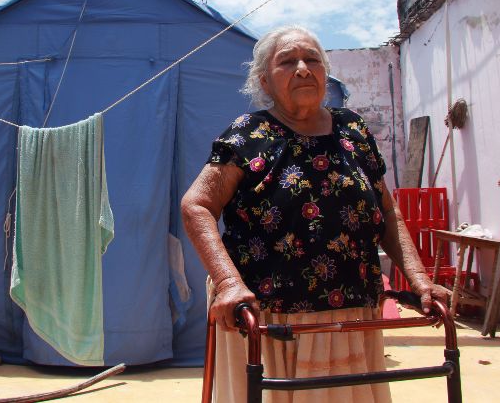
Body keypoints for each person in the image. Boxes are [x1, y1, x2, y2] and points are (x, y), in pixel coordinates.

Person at [180, 25, 450, 402]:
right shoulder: (248, 135)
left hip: (353, 312)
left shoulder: (353, 130)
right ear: (264, 81)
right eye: (287, 62)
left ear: (325, 71)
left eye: (312, 59)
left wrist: (419, 280)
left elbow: (387, 212)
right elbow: (197, 205)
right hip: (272, 319)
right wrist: (228, 283)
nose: (303, 68)